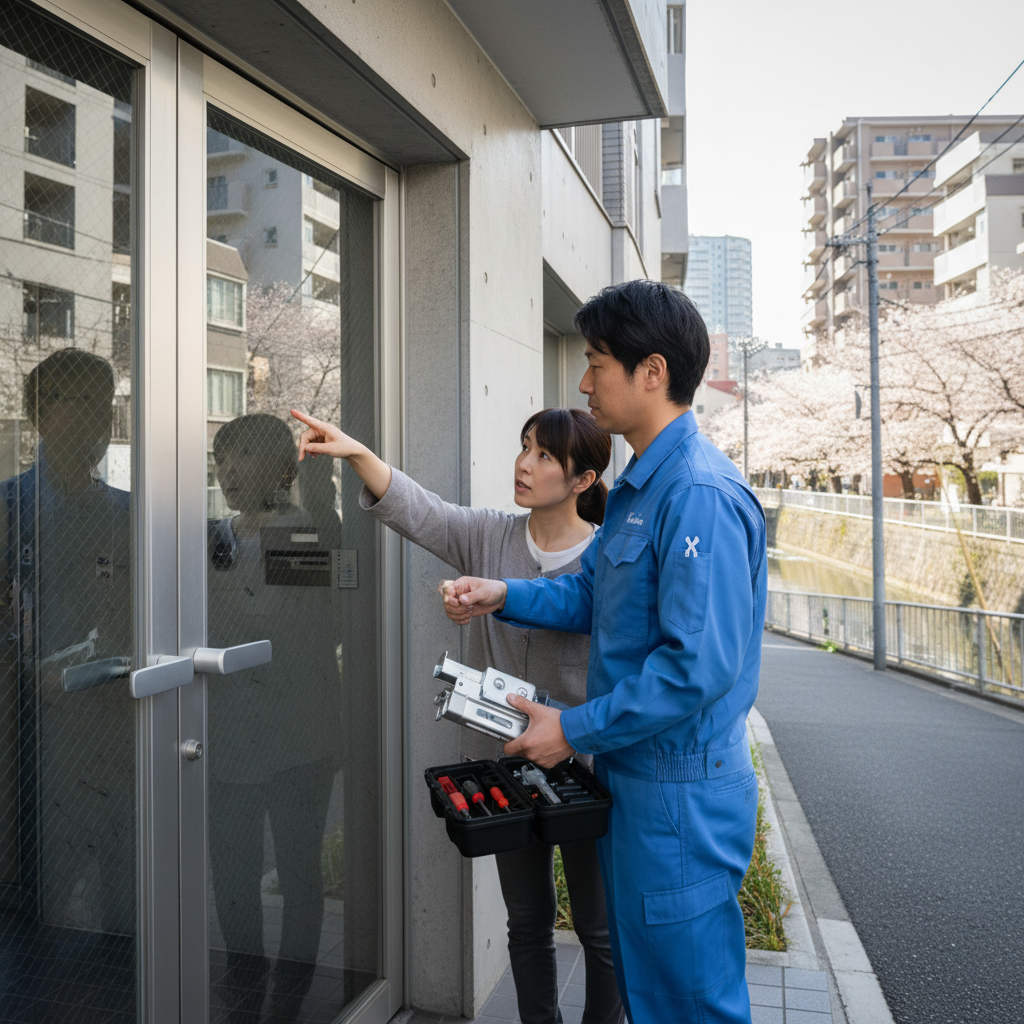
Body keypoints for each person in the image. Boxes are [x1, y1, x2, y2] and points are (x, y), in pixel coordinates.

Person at [441, 280, 768, 1024]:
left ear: (652, 372)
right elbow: (589, 596)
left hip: (677, 791)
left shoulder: (698, 495)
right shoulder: (637, 491)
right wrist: (504, 593)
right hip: (635, 779)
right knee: (649, 994)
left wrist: (572, 729)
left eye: (597, 363)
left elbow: (696, 667)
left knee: (689, 1005)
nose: (584, 383)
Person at [291, 404, 625, 1024]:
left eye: (545, 455)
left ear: (583, 480)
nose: (524, 464)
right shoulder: (491, 534)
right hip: (503, 764)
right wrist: (358, 452)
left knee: (600, 930)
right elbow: (422, 512)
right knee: (526, 921)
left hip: (584, 763)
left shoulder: (611, 556)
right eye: (524, 446)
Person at [206, 413, 345, 1022]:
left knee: (297, 870)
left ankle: (290, 995)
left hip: (299, 736)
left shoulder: (306, 534)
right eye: (222, 459)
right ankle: (242, 975)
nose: (229, 471)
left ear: (281, 470)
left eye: (242, 457)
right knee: (231, 868)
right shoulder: (216, 536)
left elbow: (297, 629)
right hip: (228, 735)